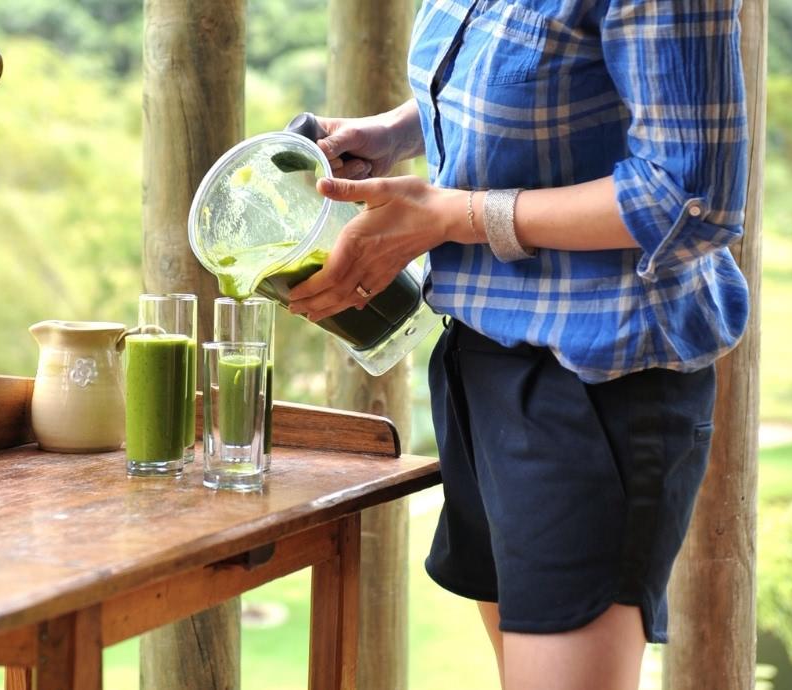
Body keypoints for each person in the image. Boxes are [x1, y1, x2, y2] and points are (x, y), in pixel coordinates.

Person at [286, 1, 750, 688]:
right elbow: (531, 66)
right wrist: (392, 133)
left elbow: (691, 199)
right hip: (481, 358)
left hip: (596, 384)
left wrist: (452, 216)